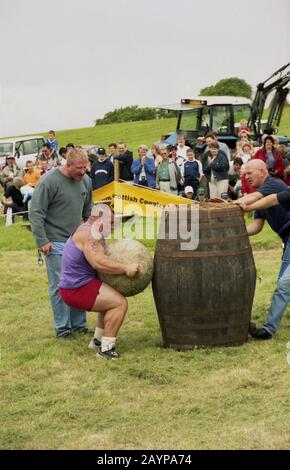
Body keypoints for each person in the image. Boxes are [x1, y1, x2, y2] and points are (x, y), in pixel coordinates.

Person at [59, 204, 139, 359]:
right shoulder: (89, 234)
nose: (114, 226)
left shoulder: (92, 231)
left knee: (109, 301)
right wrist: (125, 268)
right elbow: (98, 262)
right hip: (76, 289)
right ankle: (106, 350)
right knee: (119, 303)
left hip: (77, 285)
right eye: (111, 222)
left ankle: (97, 341)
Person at [29, 148, 93, 339]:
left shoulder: (86, 181)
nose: (83, 171)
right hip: (54, 241)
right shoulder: (49, 181)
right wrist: (42, 241)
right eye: (79, 168)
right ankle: (63, 328)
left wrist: (91, 236)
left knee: (80, 282)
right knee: (60, 286)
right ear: (68, 164)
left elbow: (88, 210)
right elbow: (36, 212)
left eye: (86, 167)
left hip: (77, 242)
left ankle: (79, 324)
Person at [233, 160, 290, 339]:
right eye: (244, 175)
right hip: (288, 240)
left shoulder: (273, 184)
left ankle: (268, 330)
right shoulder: (261, 194)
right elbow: (257, 226)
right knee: (284, 284)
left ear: (262, 171)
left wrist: (240, 205)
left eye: (249, 173)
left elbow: (263, 199)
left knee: (284, 284)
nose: (246, 177)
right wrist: (234, 234)